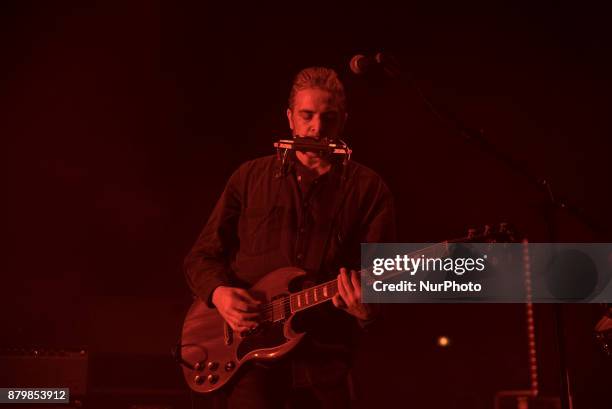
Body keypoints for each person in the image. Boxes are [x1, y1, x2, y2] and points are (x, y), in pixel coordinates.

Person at [184, 66, 395, 408]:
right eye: (307, 116)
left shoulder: (369, 189)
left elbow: (382, 280)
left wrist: (366, 308)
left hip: (324, 359)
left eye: (328, 118)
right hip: (248, 358)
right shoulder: (249, 177)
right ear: (290, 119)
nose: (316, 128)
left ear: (343, 121)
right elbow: (201, 256)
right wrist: (219, 293)